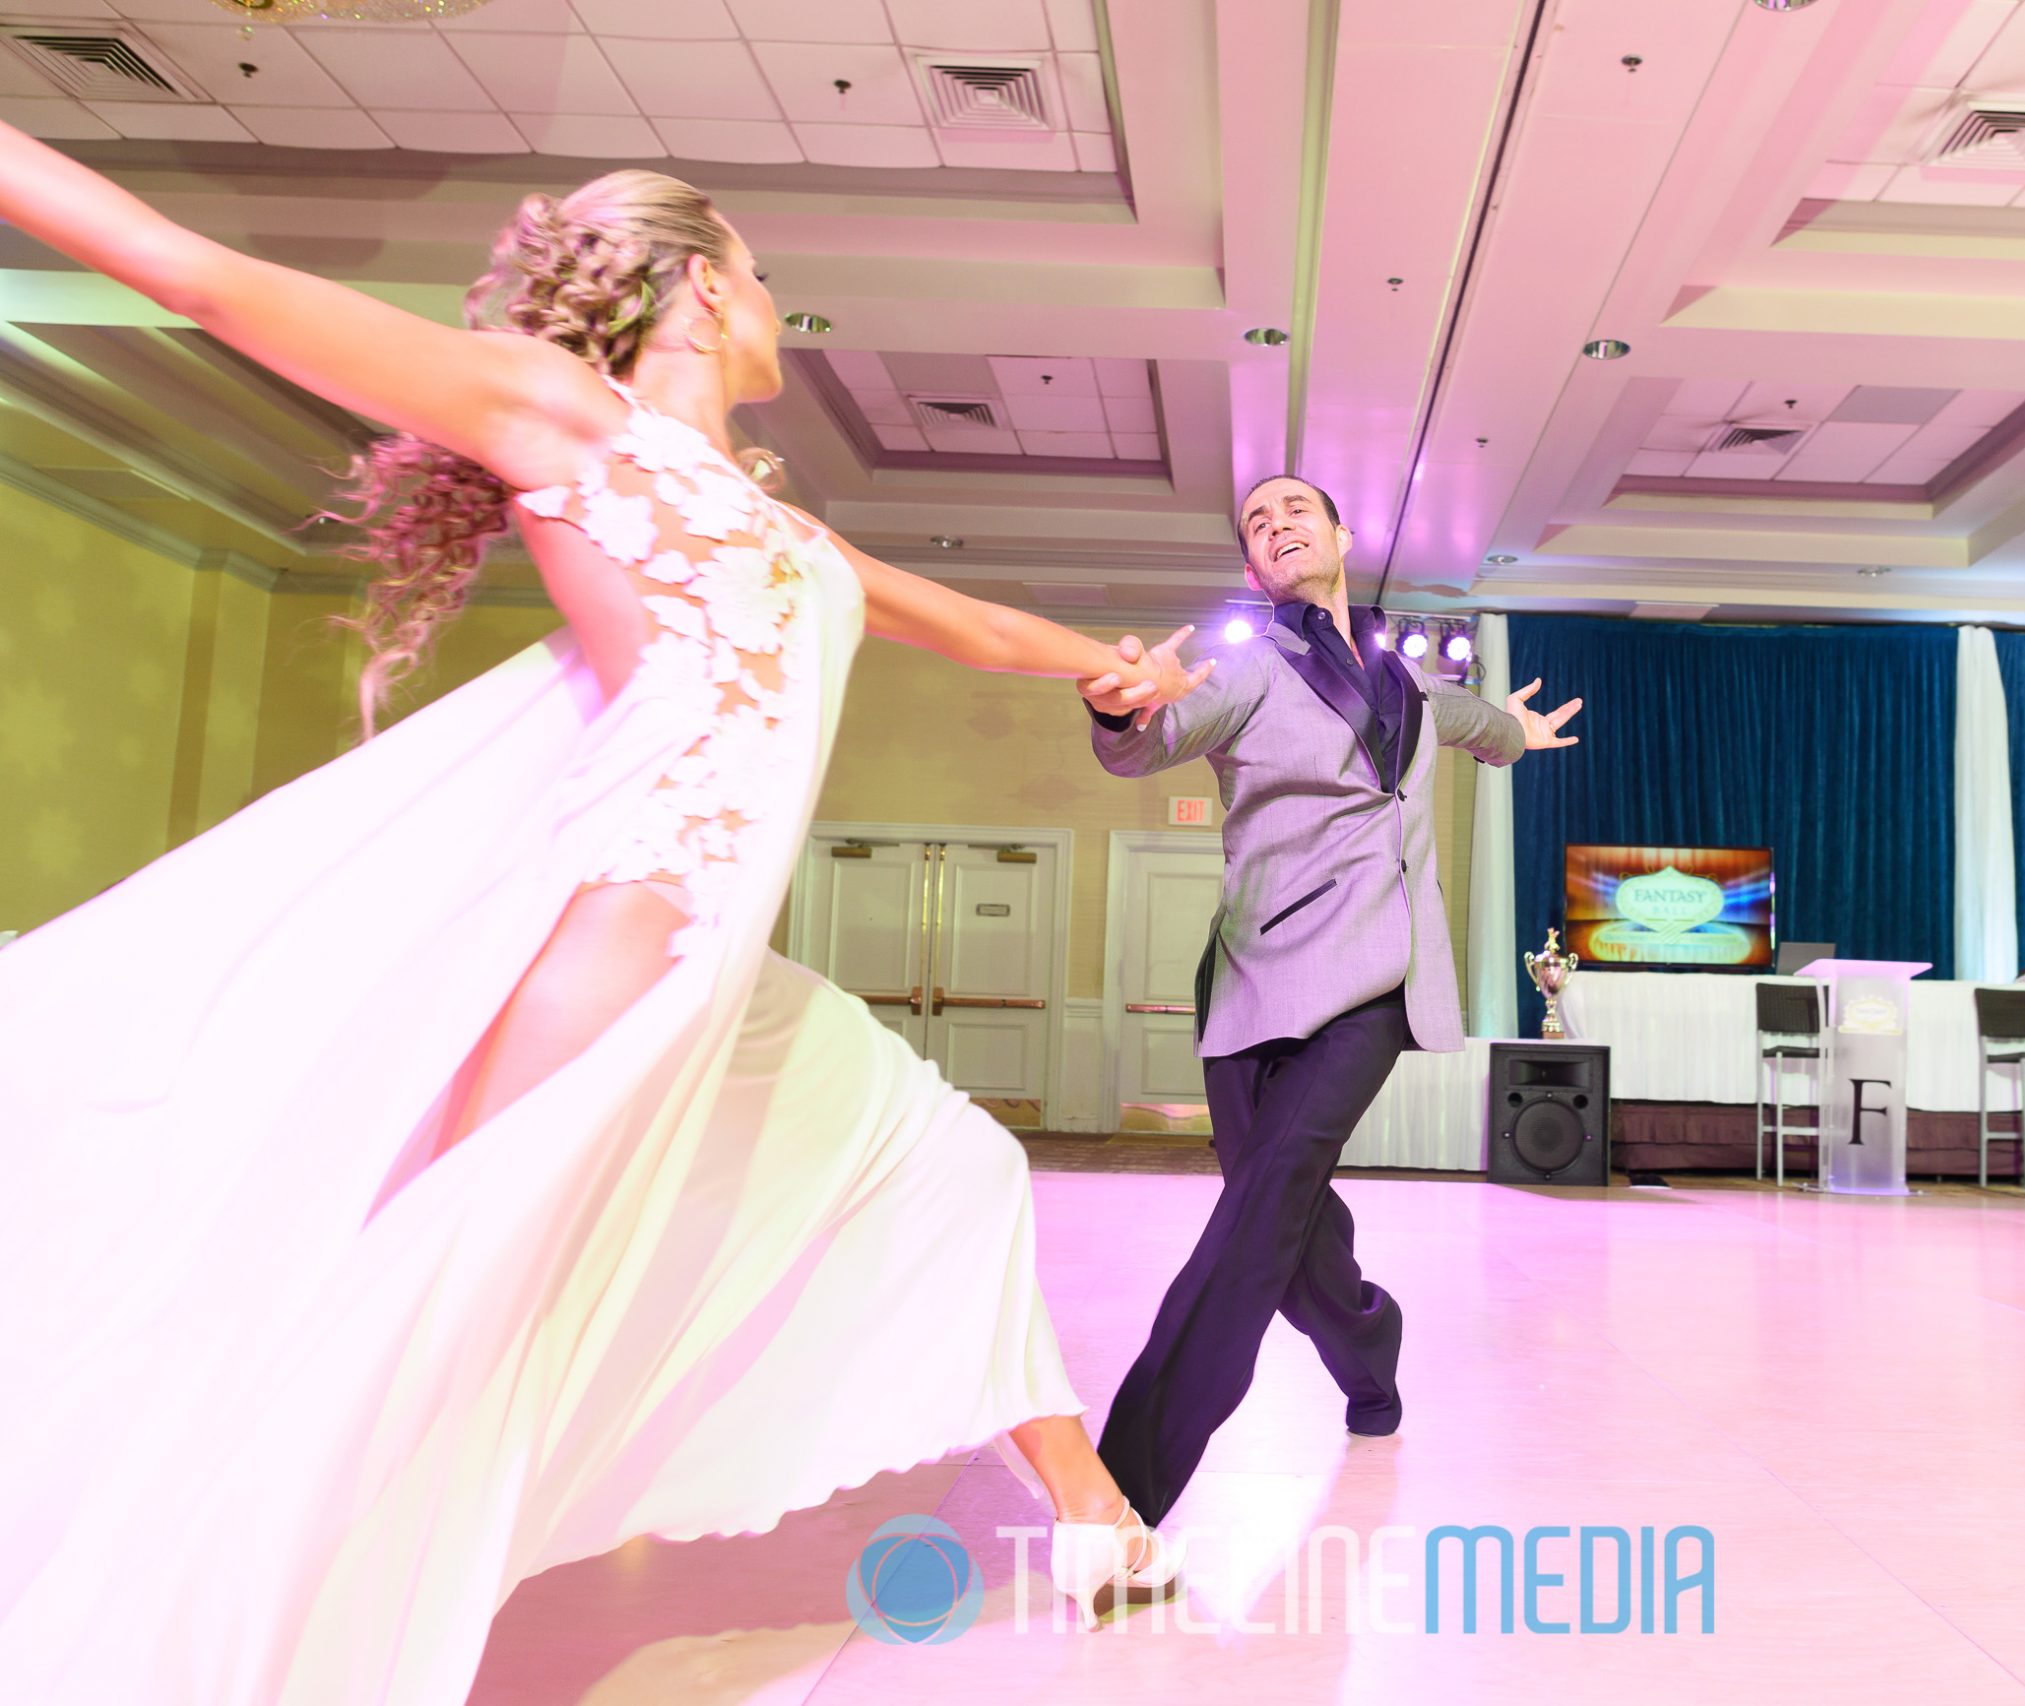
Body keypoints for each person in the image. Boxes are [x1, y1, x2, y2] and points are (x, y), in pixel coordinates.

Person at [0, 129, 1198, 1700]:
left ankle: (1097, 1517)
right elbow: (203, 276)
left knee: (950, 1160)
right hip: (638, 919)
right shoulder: (566, 414)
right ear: (702, 287)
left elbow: (961, 617)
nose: (784, 308)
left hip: (726, 964)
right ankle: (207, 1640)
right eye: (768, 280)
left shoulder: (764, 511)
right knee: (434, 1313)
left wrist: (1107, 660)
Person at [1072, 474, 1582, 1528]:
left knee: (1259, 1208)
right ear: (1254, 566)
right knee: (1291, 1234)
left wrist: (1516, 735)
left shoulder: (1411, 686)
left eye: (1293, 509)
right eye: (1257, 522)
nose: (1275, 525)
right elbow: (1145, 741)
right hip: (1254, 974)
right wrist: (1113, 705)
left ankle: (1124, 1490)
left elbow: (1478, 721)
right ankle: (1369, 1340)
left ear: (1343, 535)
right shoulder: (1248, 671)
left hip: (1373, 979)